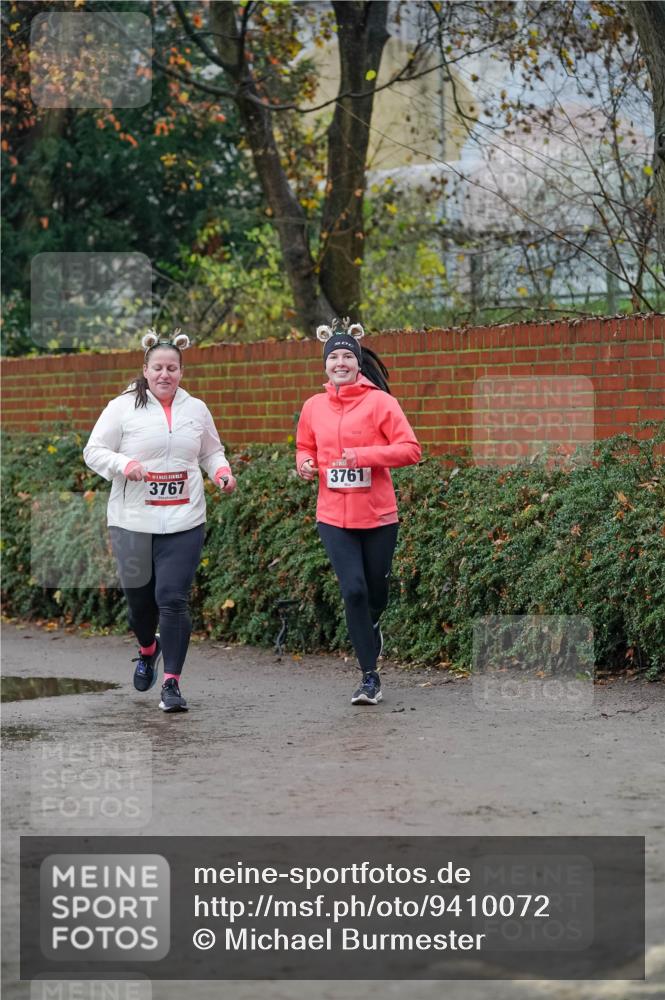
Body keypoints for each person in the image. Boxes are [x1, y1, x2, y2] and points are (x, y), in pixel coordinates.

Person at [83, 330, 236, 713]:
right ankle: (148, 650)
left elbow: (211, 451)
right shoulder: (122, 408)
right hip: (132, 520)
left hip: (185, 519)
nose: (165, 374)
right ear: (146, 370)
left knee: (172, 598)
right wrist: (126, 464)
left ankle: (172, 684)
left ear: (181, 371)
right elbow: (94, 451)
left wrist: (221, 472)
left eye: (172, 368)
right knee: (140, 606)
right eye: (158, 368)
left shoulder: (196, 409)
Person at [296, 318, 421, 706]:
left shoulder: (382, 403)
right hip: (333, 516)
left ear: (358, 362)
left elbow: (410, 450)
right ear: (325, 365)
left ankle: (373, 624)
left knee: (375, 593)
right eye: (333, 356)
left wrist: (364, 455)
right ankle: (370, 676)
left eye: (347, 356)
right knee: (352, 590)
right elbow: (305, 447)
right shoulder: (313, 406)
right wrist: (305, 464)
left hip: (379, 516)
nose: (340, 362)